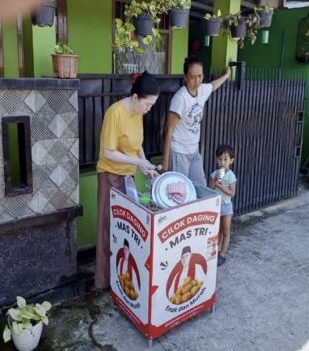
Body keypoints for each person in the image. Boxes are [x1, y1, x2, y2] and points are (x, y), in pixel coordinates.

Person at [95, 72, 160, 290]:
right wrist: (137, 163)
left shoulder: (137, 113)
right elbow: (107, 152)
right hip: (110, 177)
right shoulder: (115, 113)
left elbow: (136, 144)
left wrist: (145, 163)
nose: (149, 109)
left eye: (152, 105)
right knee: (108, 229)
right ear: (135, 98)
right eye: (148, 104)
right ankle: (105, 282)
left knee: (124, 231)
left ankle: (121, 279)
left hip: (128, 176)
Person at [162, 56, 231, 186]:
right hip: (179, 151)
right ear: (185, 77)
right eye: (193, 77)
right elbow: (169, 129)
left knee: (200, 186)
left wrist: (226, 75)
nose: (197, 81)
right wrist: (166, 161)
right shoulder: (181, 98)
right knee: (180, 191)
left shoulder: (202, 90)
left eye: (200, 76)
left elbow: (213, 85)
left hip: (193, 150)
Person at [208, 144, 237, 267]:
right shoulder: (215, 173)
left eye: (225, 160)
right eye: (220, 159)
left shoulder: (231, 176)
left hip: (226, 206)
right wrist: (214, 181)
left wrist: (221, 187)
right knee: (217, 230)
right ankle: (216, 251)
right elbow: (208, 188)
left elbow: (232, 193)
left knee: (226, 230)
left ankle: (223, 253)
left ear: (231, 161)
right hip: (216, 205)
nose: (222, 162)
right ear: (216, 160)